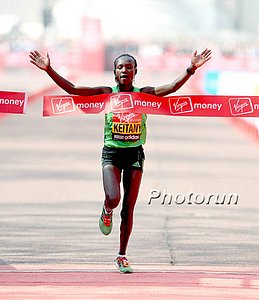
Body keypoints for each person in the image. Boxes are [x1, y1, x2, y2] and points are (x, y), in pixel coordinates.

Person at [29, 48, 211, 273]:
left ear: (135, 72)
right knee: (114, 198)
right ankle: (107, 210)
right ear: (115, 73)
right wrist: (49, 69)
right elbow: (74, 90)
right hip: (112, 154)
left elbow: (171, 88)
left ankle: (122, 255)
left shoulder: (144, 94)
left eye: (129, 67)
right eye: (120, 67)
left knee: (128, 208)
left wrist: (191, 68)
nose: (125, 70)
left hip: (134, 154)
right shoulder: (107, 93)